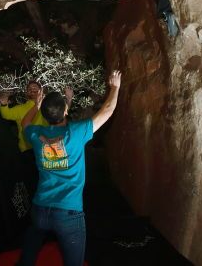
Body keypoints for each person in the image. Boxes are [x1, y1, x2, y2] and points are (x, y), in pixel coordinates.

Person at [16, 70, 123, 266]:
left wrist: (36, 105)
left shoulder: (36, 134)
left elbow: (26, 123)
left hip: (40, 209)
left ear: (44, 114)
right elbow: (107, 111)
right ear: (65, 111)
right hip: (68, 214)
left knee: (32, 241)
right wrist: (115, 87)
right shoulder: (76, 133)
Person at [0, 81, 74, 195]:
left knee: (51, 180)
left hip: (47, 149)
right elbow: (6, 114)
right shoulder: (20, 108)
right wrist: (3, 104)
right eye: (29, 88)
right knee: (32, 183)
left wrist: (68, 100)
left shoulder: (47, 107)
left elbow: (61, 114)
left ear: (41, 91)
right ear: (26, 93)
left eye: (35, 87)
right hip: (27, 151)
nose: (32, 90)